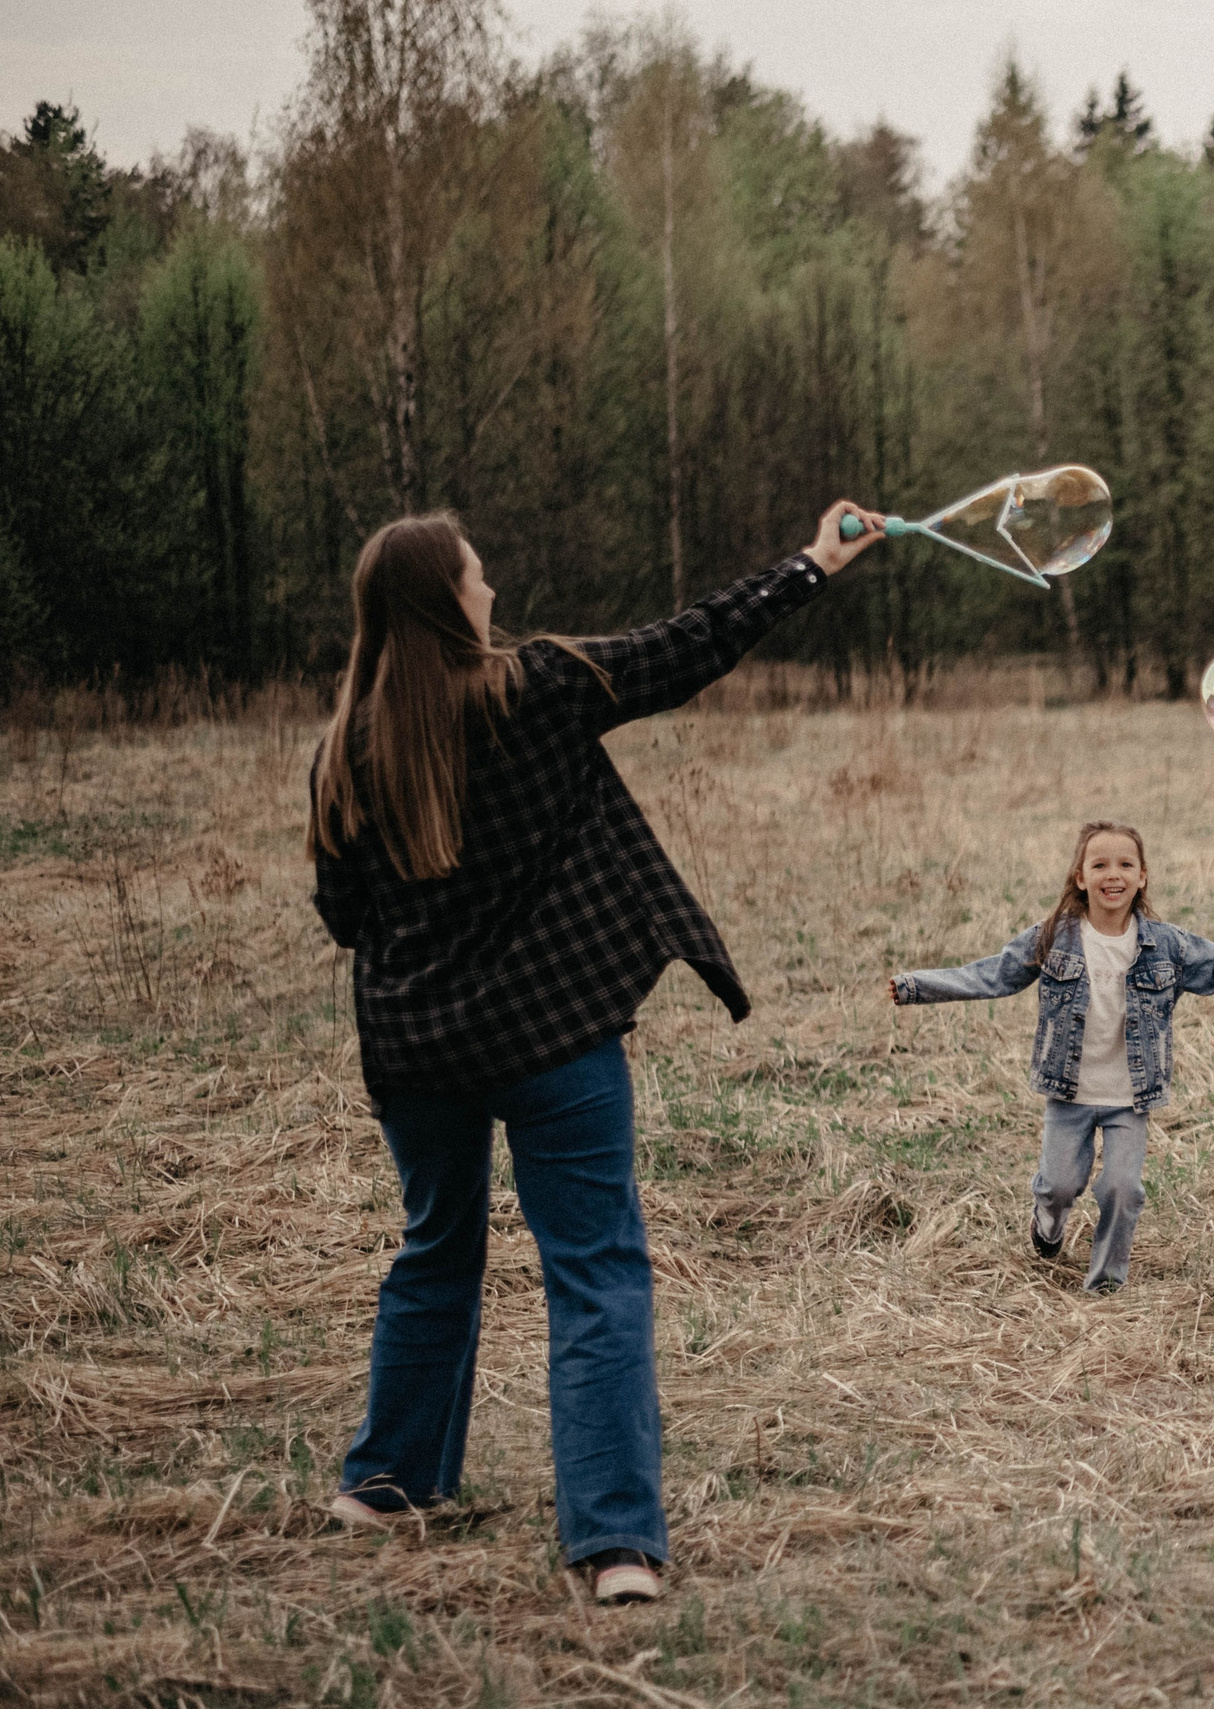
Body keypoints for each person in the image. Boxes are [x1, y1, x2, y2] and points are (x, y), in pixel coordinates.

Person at [309, 498, 883, 1606]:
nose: (490, 590)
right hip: (556, 1037)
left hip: (418, 1050)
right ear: (445, 598)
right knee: (596, 1272)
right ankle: (615, 1544)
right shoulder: (538, 688)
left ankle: (382, 1484)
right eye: (475, 576)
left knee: (436, 1251)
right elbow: (688, 646)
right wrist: (812, 562)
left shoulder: (344, 749)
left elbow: (344, 915)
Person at [888, 821, 1214, 1293]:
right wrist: (917, 987)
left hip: (1131, 1095)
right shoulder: (1054, 937)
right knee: (1060, 1184)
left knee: (1122, 1190)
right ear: (1081, 877)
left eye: (1126, 864)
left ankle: (1105, 1281)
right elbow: (991, 976)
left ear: (1143, 876)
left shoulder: (1166, 944)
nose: (1114, 874)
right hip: (1070, 1091)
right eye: (1100, 864)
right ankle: (1048, 1220)